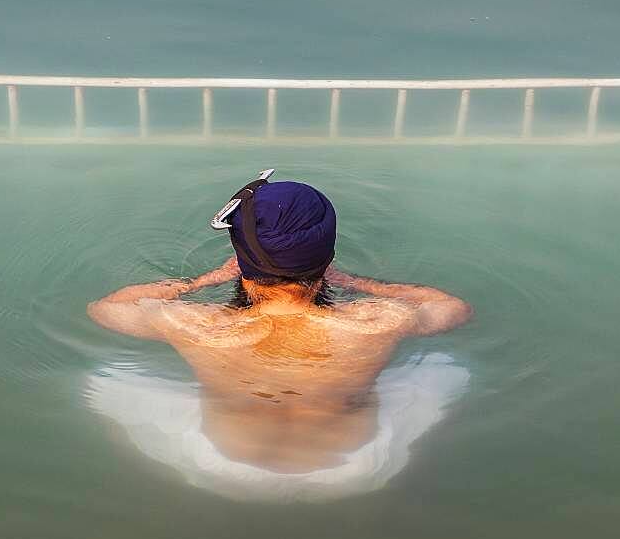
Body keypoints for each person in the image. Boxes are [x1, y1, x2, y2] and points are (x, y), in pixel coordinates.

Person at [84, 175, 472, 502]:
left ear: (241, 259)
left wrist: (202, 281)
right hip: (352, 468)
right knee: (447, 367)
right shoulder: (376, 321)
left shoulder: (198, 326)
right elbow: (452, 308)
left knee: (105, 376)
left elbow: (105, 310)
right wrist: (356, 282)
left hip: (221, 466)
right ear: (325, 260)